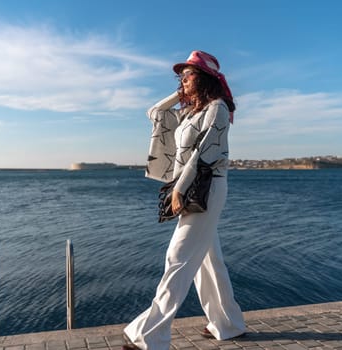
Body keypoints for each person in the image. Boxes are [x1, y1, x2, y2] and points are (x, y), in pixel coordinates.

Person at [123, 51, 246, 350]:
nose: (184, 80)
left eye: (189, 75)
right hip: (193, 187)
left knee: (177, 259)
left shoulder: (217, 109)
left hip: (206, 187)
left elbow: (206, 154)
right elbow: (153, 111)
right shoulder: (189, 112)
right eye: (181, 76)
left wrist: (178, 188)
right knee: (209, 262)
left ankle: (149, 336)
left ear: (204, 79)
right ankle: (228, 323)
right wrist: (179, 92)